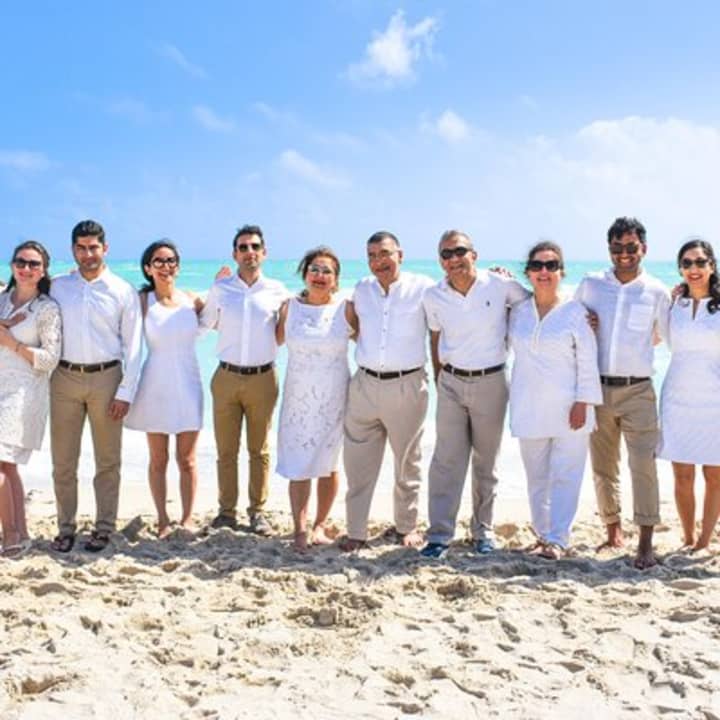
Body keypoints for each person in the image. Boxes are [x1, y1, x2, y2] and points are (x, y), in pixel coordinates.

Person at [420, 230, 529, 558]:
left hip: (492, 381)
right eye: (446, 254)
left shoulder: (500, 284)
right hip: (451, 383)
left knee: (486, 462)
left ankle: (483, 531)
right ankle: (439, 535)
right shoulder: (433, 296)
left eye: (459, 251)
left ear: (474, 254)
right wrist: (439, 378)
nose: (453, 259)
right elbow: (435, 338)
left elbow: (533, 304)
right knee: (446, 461)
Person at [575, 216, 670, 569]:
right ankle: (613, 531)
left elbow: (668, 336)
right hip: (597, 387)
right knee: (603, 465)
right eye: (617, 248)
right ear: (609, 249)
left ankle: (645, 543)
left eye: (631, 247)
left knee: (643, 465)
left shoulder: (657, 291)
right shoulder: (591, 285)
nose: (624, 254)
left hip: (639, 390)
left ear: (644, 248)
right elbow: (568, 317)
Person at [49, 220, 143, 553]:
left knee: (107, 461)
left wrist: (125, 392)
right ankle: (65, 527)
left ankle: (104, 527)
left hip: (107, 379)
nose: (87, 254)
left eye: (93, 247)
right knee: (63, 461)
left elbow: (134, 346)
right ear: (73, 250)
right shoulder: (58, 287)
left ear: (105, 248)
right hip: (64, 378)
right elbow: (24, 298)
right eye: (81, 248)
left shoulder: (122, 290)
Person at [341, 231, 434, 551]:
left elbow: (455, 303)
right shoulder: (361, 289)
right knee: (357, 464)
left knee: (407, 462)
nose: (378, 261)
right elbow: (349, 324)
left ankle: (406, 527)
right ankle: (356, 531)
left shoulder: (423, 287)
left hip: (407, 386)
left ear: (400, 255)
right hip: (364, 385)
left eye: (385, 254)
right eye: (372, 256)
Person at [508, 241, 602, 558]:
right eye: (537, 266)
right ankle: (542, 534)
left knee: (566, 476)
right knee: (536, 478)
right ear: (528, 273)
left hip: (570, 408)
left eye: (551, 265)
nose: (544, 271)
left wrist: (583, 402)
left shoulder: (576, 313)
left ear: (561, 272)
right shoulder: (517, 312)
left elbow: (588, 360)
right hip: (528, 406)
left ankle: (558, 539)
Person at [201, 224, 288, 535]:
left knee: (259, 450)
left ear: (264, 252)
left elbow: (284, 333)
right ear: (234, 254)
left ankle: (257, 512)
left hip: (263, 378)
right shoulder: (221, 289)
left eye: (254, 247)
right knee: (226, 450)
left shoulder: (278, 291)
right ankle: (226, 512)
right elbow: (204, 324)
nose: (249, 252)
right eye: (243, 247)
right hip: (225, 376)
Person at [125, 240, 204, 537]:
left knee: (188, 460)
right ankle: (162, 519)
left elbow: (222, 319)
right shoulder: (142, 301)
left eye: (170, 261)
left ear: (178, 267)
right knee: (159, 459)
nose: (165, 266)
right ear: (148, 268)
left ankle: (188, 518)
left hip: (189, 382)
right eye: (158, 261)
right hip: (155, 384)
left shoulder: (193, 300)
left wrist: (223, 286)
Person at [275, 246, 352, 551]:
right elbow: (269, 339)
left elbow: (375, 340)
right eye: (314, 269)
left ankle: (319, 524)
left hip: (334, 397)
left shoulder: (346, 309)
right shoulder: (289, 308)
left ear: (336, 279)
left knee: (328, 463)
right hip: (298, 398)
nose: (320, 276)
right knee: (299, 463)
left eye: (327, 271)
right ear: (304, 274)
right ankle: (299, 528)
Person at [658, 239, 720, 551]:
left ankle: (705, 540)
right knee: (682, 474)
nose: (693, 269)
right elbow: (655, 337)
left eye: (699, 262)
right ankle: (687, 537)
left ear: (712, 266)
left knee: (714, 475)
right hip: (677, 397)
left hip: (715, 400)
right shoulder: (674, 304)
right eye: (686, 263)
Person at [0, 242, 61, 557]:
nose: (26, 268)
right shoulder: (2, 299)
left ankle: (9, 535)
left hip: (24, 393)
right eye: (21, 262)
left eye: (34, 264)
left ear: (43, 270)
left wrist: (11, 342)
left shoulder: (46, 308)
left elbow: (50, 359)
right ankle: (21, 532)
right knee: (7, 467)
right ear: (12, 265)